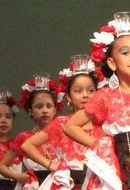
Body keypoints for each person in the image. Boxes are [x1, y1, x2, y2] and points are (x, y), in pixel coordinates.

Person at [63, 12, 130, 190]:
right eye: (125, 52)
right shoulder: (106, 96)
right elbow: (70, 126)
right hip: (116, 168)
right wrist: (102, 145)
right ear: (112, 63)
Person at [21, 55, 106, 189]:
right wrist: (51, 165)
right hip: (67, 183)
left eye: (91, 90)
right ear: (68, 96)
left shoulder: (103, 125)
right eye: (78, 91)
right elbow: (27, 145)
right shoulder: (61, 123)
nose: (85, 95)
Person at [0, 74, 62, 189]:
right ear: (30, 111)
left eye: (49, 106)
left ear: (55, 110)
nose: (44, 110)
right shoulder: (24, 137)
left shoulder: (62, 134)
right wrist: (17, 176)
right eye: (39, 106)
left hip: (59, 183)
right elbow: (1, 167)